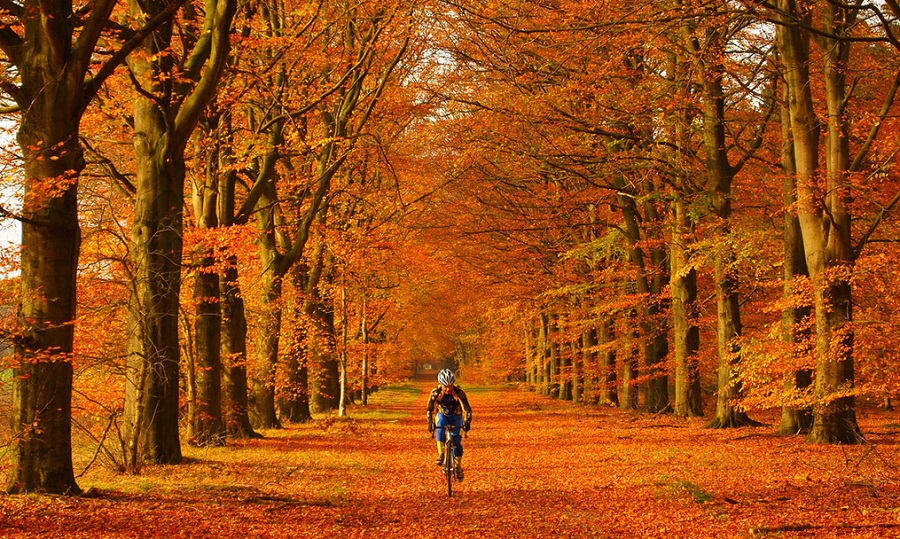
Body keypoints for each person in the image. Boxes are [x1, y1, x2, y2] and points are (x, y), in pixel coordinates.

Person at [426, 369, 472, 481]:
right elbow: (430, 409)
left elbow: (467, 409)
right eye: (445, 386)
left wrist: (467, 422)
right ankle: (441, 454)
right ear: (441, 384)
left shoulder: (459, 393)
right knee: (440, 426)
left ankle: (458, 467)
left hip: (456, 417)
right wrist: (430, 423)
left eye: (450, 386)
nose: (448, 389)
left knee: (456, 441)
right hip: (443, 415)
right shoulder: (436, 393)